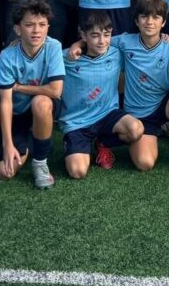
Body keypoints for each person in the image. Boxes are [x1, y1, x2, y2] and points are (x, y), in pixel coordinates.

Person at [112, 0, 169, 173]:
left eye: (156, 17)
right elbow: (99, 40)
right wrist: (79, 45)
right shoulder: (125, 41)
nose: (149, 22)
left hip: (162, 107)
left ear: (163, 22)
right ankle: (112, 137)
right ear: (137, 21)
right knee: (145, 163)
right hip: (136, 113)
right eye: (144, 16)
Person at [58, 11, 143, 179]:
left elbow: (141, 39)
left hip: (107, 114)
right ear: (83, 35)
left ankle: (102, 143)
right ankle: (74, 145)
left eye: (106, 34)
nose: (102, 41)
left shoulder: (116, 53)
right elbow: (42, 53)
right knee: (77, 172)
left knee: (136, 129)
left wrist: (165, 38)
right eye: (95, 35)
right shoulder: (66, 57)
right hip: (77, 122)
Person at [0, 0, 65, 189]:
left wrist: (18, 87)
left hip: (42, 107)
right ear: (18, 29)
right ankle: (30, 141)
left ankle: (40, 162)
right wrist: (8, 144)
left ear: (48, 27)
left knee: (41, 102)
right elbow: (5, 102)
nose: (36, 30)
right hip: (17, 113)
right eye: (29, 25)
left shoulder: (54, 47)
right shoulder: (7, 56)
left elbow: (55, 91)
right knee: (4, 172)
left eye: (42, 24)